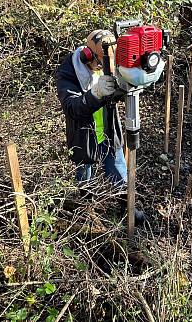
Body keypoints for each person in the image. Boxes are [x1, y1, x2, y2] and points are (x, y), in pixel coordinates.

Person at [56, 29, 145, 224]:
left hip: (108, 129)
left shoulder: (109, 62)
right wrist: (95, 93)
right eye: (99, 63)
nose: (102, 68)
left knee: (119, 170)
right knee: (84, 174)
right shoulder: (68, 71)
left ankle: (126, 206)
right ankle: (86, 209)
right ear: (87, 55)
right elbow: (71, 108)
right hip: (83, 133)